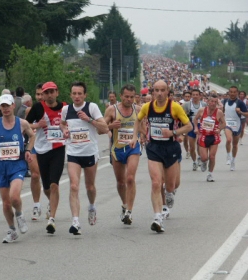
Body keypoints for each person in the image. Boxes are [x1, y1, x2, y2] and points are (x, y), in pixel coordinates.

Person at [130, 80, 192, 233]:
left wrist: (174, 133)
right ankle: (157, 217)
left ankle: (170, 193)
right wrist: (134, 137)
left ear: (167, 92)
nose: (159, 93)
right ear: (153, 92)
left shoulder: (174, 107)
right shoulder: (147, 107)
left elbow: (189, 126)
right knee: (156, 183)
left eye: (162, 90)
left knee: (170, 186)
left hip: (171, 147)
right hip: (154, 148)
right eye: (156, 90)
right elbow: (137, 120)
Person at [0, 94, 35, 243]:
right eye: (3, 106)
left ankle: (19, 214)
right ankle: (12, 230)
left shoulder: (22, 123)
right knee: (6, 203)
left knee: (14, 196)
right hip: (1, 165)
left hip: (17, 165)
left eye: (8, 105)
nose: (5, 109)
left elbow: (32, 136)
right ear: (0, 107)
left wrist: (27, 150)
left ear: (14, 105)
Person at [60, 81, 108, 235]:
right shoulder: (66, 109)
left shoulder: (91, 107)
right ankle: (75, 222)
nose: (77, 96)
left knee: (90, 187)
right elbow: (62, 124)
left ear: (85, 95)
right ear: (70, 95)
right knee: (74, 186)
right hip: (73, 152)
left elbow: (105, 128)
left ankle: (92, 206)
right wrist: (65, 130)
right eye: (74, 93)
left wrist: (88, 119)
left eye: (80, 93)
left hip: (90, 152)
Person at [26, 81, 67, 234]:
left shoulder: (65, 107)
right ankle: (51, 201)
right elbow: (25, 125)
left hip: (58, 148)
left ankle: (52, 219)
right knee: (47, 186)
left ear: (57, 92)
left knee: (55, 183)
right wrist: (38, 125)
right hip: (42, 150)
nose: (50, 95)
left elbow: (71, 123)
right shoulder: (37, 108)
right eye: (46, 92)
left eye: (52, 92)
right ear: (42, 95)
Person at [103, 84, 142, 225]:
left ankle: (129, 212)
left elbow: (144, 127)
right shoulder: (111, 110)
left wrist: (143, 136)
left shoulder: (138, 110)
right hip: (117, 149)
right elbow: (100, 128)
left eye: (132, 97)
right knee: (120, 182)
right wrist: (111, 127)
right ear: (121, 96)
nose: (129, 99)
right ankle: (125, 204)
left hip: (133, 148)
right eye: (126, 96)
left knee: (130, 178)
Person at [193, 93, 226, 182]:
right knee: (204, 157)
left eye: (215, 102)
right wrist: (196, 128)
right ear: (208, 101)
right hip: (203, 136)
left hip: (214, 137)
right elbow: (195, 119)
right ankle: (204, 162)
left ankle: (210, 174)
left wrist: (219, 129)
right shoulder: (202, 110)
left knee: (212, 156)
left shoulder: (219, 112)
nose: (213, 103)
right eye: (211, 101)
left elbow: (224, 123)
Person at [25, 84, 43, 220]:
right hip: (34, 144)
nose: (40, 97)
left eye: (42, 94)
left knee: (48, 178)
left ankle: (51, 202)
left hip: (49, 146)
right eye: (37, 94)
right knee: (35, 175)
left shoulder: (55, 109)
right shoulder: (32, 109)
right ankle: (36, 204)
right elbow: (25, 124)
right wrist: (37, 125)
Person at [223, 86, 248, 170]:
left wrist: (240, 112)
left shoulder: (240, 103)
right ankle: (228, 155)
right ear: (229, 92)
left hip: (237, 124)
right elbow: (221, 111)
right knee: (229, 139)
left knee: (234, 144)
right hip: (228, 124)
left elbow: (246, 114)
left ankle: (233, 161)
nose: (232, 93)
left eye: (234, 92)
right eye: (231, 92)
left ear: (237, 93)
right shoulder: (225, 101)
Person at [182, 89, 206, 170]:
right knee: (192, 147)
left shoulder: (204, 104)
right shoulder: (186, 105)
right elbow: (182, 115)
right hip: (191, 126)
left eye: (197, 95)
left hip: (201, 125)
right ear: (191, 96)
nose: (195, 96)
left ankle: (199, 157)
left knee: (200, 144)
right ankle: (194, 162)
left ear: (200, 96)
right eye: (193, 95)